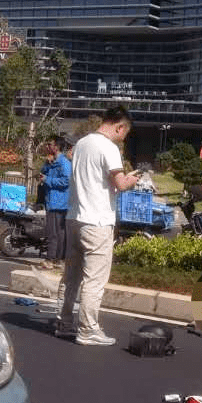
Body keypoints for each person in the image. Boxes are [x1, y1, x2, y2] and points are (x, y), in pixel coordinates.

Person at [55, 105, 140, 345]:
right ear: (119, 126)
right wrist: (133, 179)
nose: (123, 137)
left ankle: (64, 323)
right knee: (94, 280)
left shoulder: (81, 144)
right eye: (125, 133)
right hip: (97, 221)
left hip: (74, 218)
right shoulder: (109, 148)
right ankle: (88, 329)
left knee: (71, 277)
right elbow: (121, 184)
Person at [39, 136, 72, 269]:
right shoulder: (52, 162)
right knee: (54, 232)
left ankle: (52, 259)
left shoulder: (64, 163)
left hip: (59, 202)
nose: (47, 146)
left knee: (56, 233)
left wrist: (47, 180)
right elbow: (42, 173)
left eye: (50, 144)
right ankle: (57, 259)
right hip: (51, 201)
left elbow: (66, 181)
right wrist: (47, 164)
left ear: (56, 147)